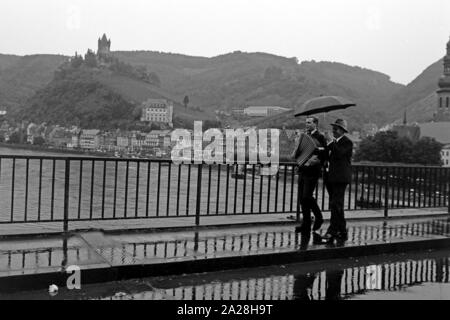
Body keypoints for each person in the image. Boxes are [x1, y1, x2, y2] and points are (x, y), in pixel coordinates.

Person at [293, 116, 327, 234]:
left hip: (313, 171)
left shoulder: (320, 137)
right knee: (302, 199)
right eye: (306, 122)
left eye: (309, 122)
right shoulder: (303, 136)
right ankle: (305, 225)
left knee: (307, 196)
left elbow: (323, 154)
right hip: (302, 170)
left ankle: (319, 216)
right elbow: (299, 152)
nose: (306, 124)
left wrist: (316, 159)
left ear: (315, 124)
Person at [323, 119, 353, 241]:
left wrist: (330, 142)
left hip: (341, 178)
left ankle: (332, 230)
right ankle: (342, 230)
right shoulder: (333, 143)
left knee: (336, 204)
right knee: (336, 205)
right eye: (333, 129)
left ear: (342, 131)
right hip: (331, 177)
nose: (333, 131)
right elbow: (328, 156)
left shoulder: (347, 142)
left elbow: (340, 153)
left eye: (336, 129)